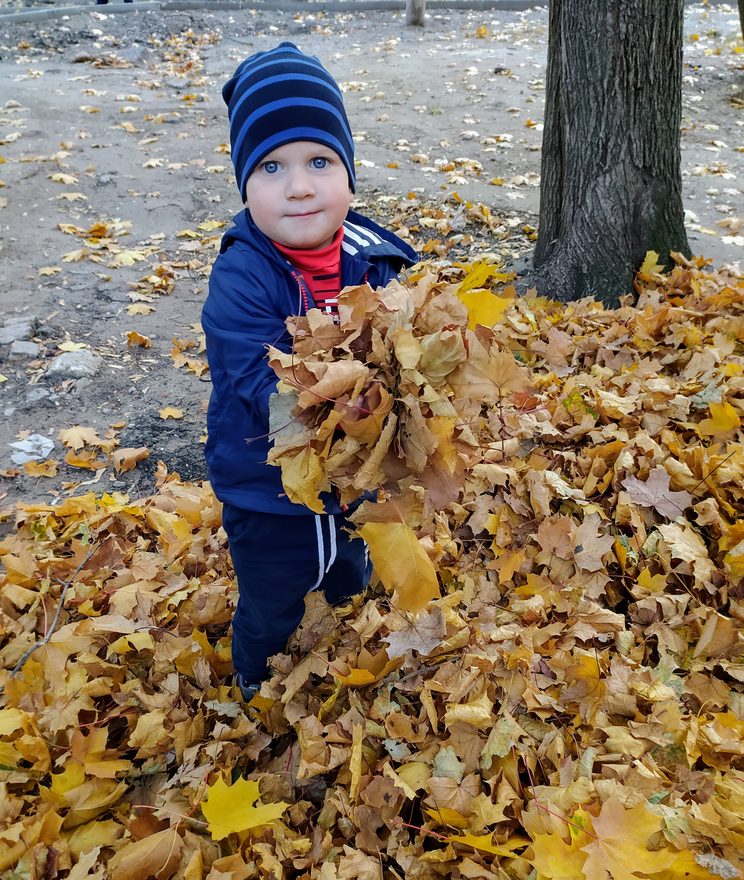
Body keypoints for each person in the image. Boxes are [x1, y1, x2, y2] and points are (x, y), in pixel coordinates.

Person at [202, 42, 417, 701]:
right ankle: (253, 684)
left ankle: (337, 656)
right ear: (245, 184)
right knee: (275, 600)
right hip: (265, 489)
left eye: (320, 161)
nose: (299, 185)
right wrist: (352, 407)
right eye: (272, 166)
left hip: (356, 482)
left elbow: (409, 344)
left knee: (347, 573)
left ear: (349, 175)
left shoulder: (376, 259)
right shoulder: (242, 278)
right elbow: (255, 383)